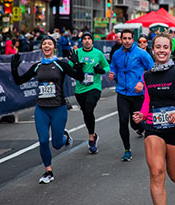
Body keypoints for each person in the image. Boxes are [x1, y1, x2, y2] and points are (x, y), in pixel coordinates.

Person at [132, 32, 175, 205]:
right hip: (154, 128)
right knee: (156, 172)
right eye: (158, 47)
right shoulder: (147, 75)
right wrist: (143, 114)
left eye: (165, 47)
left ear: (171, 50)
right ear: (152, 50)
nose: (161, 50)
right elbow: (148, 100)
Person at [11, 36, 84, 184]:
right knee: (43, 141)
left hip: (58, 108)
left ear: (54, 47)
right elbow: (19, 81)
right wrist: (14, 69)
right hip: (41, 109)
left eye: (49, 43)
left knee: (57, 144)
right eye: (44, 43)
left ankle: (65, 138)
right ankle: (48, 171)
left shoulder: (60, 64)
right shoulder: (37, 66)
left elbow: (80, 77)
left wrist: (77, 65)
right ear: (42, 47)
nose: (46, 45)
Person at [109, 29, 154, 161]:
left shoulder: (141, 53)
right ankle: (127, 150)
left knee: (135, 123)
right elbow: (114, 68)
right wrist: (113, 74)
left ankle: (143, 128)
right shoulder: (117, 54)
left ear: (132, 39)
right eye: (125, 38)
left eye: (129, 38)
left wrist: (141, 82)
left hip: (138, 94)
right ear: (121, 40)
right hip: (122, 93)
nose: (127, 41)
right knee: (123, 121)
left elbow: (151, 68)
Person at [70, 32, 110, 154]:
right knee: (87, 113)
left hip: (94, 87)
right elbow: (70, 69)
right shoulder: (77, 53)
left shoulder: (98, 53)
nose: (87, 41)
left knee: (88, 108)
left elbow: (107, 67)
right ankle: (92, 133)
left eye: (89, 39)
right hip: (80, 89)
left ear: (92, 41)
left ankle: (91, 138)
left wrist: (101, 70)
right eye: (85, 39)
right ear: (82, 41)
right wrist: (76, 66)